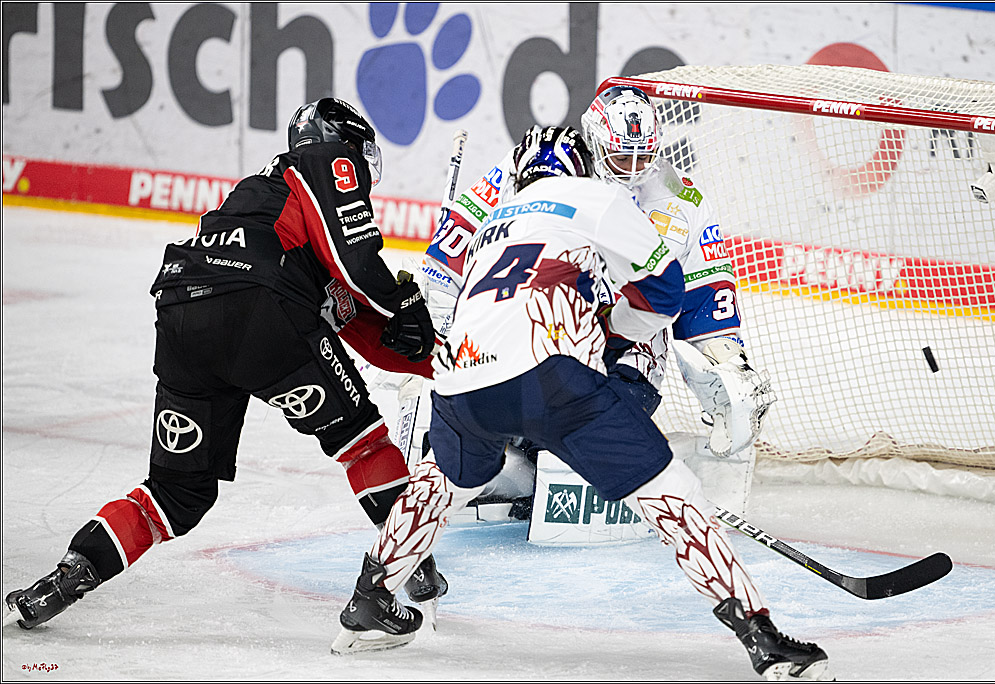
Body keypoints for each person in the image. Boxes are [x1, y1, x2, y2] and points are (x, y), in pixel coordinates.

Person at [331, 126, 833, 682]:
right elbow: (663, 292)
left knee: (437, 480)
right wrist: (612, 328)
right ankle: (760, 636)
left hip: (458, 384)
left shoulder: (490, 225)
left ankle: (369, 599)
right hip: (552, 383)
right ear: (581, 165)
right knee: (671, 493)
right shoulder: (597, 195)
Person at [3, 98, 448, 631]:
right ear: (344, 144)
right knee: (363, 442)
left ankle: (67, 575)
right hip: (259, 310)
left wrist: (441, 360)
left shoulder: (258, 202)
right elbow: (355, 262)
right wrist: (404, 304)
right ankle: (409, 560)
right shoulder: (327, 161)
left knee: (175, 493)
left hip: (183, 317)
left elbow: (362, 325)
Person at [401, 84, 773, 519]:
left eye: (643, 158)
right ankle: (512, 465)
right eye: (619, 158)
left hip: (625, 350)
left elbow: (703, 293)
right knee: (460, 412)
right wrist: (441, 316)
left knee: (571, 448)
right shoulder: (544, 166)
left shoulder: (683, 199)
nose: (632, 171)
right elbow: (458, 238)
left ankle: (521, 470)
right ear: (596, 144)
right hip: (531, 336)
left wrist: (728, 364)